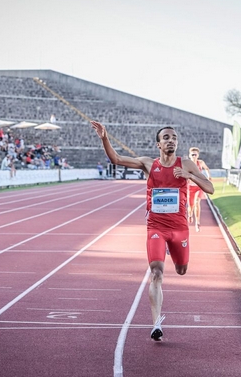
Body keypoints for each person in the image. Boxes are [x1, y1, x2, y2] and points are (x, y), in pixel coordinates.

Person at [91, 121, 214, 342]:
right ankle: (156, 324)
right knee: (156, 273)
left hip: (179, 229)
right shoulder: (149, 164)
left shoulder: (186, 164)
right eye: (166, 137)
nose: (171, 141)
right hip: (156, 227)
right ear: (158, 144)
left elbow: (210, 188)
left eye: (174, 137)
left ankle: (171, 251)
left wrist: (190, 176)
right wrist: (104, 138)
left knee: (182, 270)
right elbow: (116, 159)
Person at [187, 147, 211, 232]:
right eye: (192, 154)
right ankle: (190, 214)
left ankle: (197, 222)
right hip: (190, 188)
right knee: (191, 206)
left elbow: (206, 168)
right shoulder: (187, 164)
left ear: (198, 155)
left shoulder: (200, 163)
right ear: (189, 155)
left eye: (195, 154)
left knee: (197, 202)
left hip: (199, 186)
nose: (194, 156)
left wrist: (209, 176)